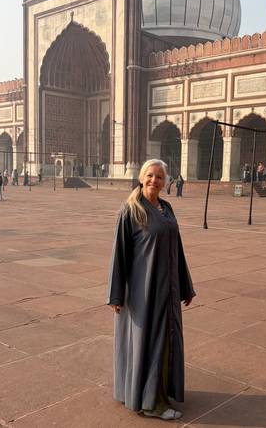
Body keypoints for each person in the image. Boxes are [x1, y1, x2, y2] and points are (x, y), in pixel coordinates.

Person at [107, 159, 195, 420]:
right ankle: (151, 404)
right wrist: (116, 294)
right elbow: (119, 254)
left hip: (167, 289)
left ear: (165, 181)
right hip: (143, 292)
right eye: (149, 175)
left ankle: (153, 392)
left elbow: (176, 249)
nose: (153, 181)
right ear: (141, 178)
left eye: (159, 177)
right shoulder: (132, 210)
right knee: (151, 343)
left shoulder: (166, 208)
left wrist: (185, 286)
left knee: (165, 341)